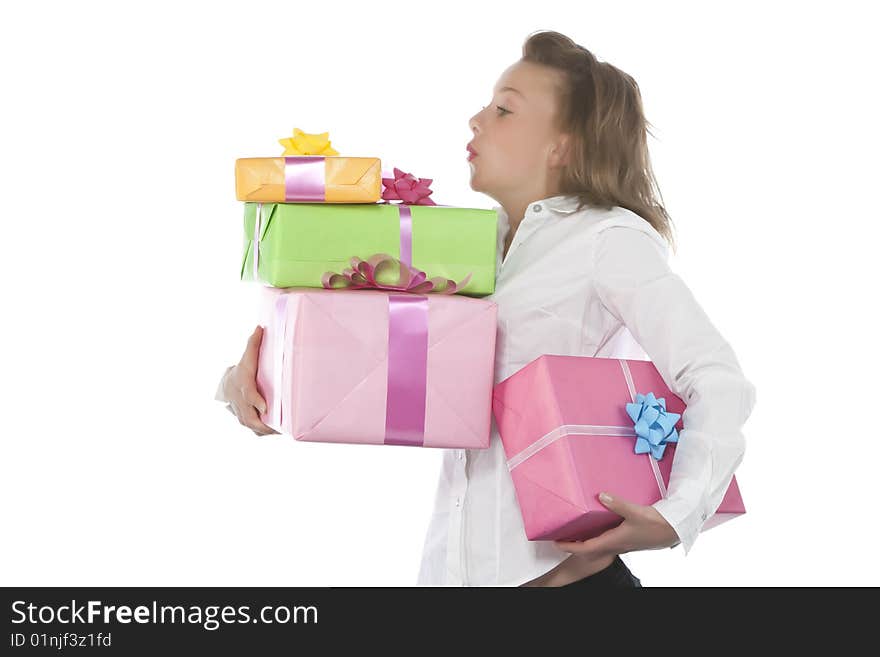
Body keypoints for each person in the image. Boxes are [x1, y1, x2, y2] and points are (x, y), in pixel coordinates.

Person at [216, 30, 757, 588]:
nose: (477, 119)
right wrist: (249, 381)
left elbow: (717, 378)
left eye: (504, 110)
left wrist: (676, 515)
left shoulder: (606, 240)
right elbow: (358, 352)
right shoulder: (475, 249)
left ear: (561, 147)